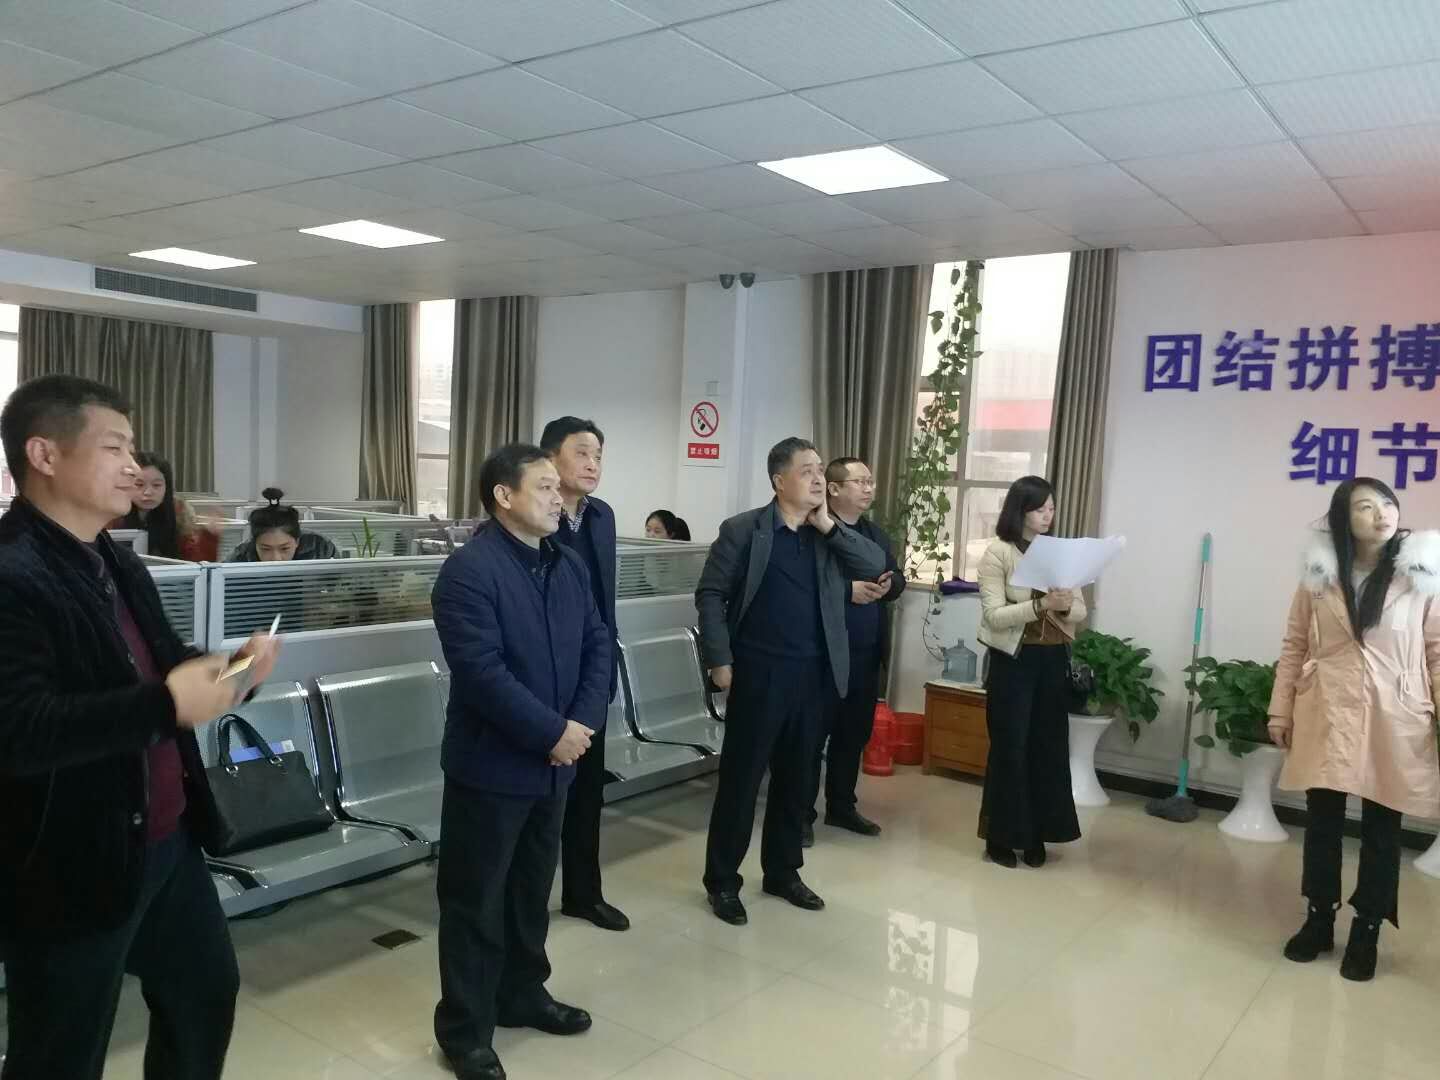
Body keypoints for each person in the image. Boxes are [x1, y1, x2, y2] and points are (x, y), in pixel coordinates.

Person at [0, 374, 279, 1080]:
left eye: (133, 449)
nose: (134, 466)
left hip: (166, 838)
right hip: (69, 860)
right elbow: (20, 729)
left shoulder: (116, 560)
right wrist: (166, 705)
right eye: (114, 447)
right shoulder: (12, 572)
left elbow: (163, 662)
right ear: (44, 454)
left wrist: (233, 673)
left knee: (203, 994)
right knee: (60, 1049)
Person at [430, 442, 609, 1080]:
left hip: (557, 761)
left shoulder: (566, 563)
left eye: (558, 488)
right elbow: (482, 673)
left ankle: (522, 993)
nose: (559, 499)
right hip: (492, 766)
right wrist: (551, 732)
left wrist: (580, 725)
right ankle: (465, 1030)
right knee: (476, 900)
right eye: (545, 488)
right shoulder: (468, 572)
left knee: (532, 889)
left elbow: (598, 643)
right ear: (504, 496)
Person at [695, 437, 887, 925]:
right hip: (758, 675)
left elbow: (874, 565)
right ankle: (722, 881)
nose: (819, 478)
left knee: (798, 780)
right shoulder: (745, 530)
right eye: (807, 471)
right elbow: (711, 594)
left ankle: (782, 872)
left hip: (816, 676)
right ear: (779, 481)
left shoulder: (827, 534)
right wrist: (719, 660)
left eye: (821, 470)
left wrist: (828, 525)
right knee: (741, 783)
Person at [1268, 478, 1440, 982]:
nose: (1381, 513)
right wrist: (1280, 711)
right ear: (1345, 519)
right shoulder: (1319, 575)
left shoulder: (1421, 575)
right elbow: (1294, 644)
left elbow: (1437, 651)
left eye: (1387, 503)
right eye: (1365, 507)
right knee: (1323, 821)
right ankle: (1318, 919)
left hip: (1396, 713)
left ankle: (1367, 930)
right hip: (1329, 708)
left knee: (1383, 829)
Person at [541, 416, 629, 933]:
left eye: (598, 455)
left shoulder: (602, 516)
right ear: (550, 458)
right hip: (544, 679)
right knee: (540, 799)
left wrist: (605, 673)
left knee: (587, 794)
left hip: (591, 676)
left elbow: (604, 604)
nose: (593, 464)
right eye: (581, 453)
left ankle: (583, 893)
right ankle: (526, 901)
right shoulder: (536, 516)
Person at [976, 475, 1087, 869]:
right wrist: (1040, 606)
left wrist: (1064, 604)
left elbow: (1080, 611)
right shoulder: (998, 553)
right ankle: (1003, 837)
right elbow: (994, 615)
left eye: (1051, 508)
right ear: (1019, 511)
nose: (1047, 516)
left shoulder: (1058, 553)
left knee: (1048, 748)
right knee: (1011, 747)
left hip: (1052, 661)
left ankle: (1038, 834)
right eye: (1040, 509)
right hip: (1013, 661)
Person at [805, 457, 905, 845]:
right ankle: (799, 814)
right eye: (859, 482)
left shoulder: (874, 534)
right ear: (833, 489)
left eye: (870, 481)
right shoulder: (813, 531)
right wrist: (848, 591)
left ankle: (842, 806)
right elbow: (806, 587)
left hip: (866, 654)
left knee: (853, 734)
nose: (868, 488)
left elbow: (896, 576)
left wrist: (891, 585)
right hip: (824, 656)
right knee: (812, 737)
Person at [117, 451, 220, 561]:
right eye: (139, 485)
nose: (148, 492)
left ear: (167, 487)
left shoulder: (178, 512)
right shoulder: (112, 514)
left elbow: (195, 563)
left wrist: (209, 536)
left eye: (156, 485)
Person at [227, 488, 339, 561]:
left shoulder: (320, 547)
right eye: (265, 549)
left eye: (284, 548)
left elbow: (344, 583)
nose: (276, 558)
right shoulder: (241, 556)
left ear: (297, 541)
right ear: (254, 543)